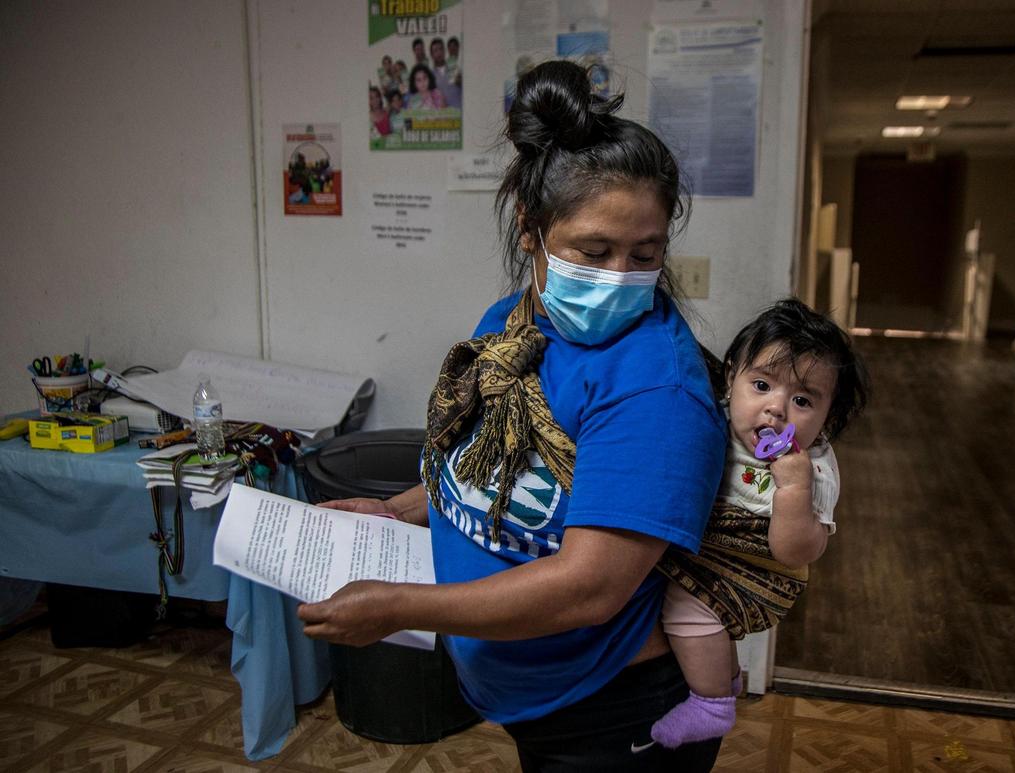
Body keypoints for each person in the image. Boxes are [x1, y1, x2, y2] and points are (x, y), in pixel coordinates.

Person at [298, 60, 728, 771]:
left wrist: (401, 606)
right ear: (531, 229)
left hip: (611, 713)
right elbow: (487, 464)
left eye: (645, 254)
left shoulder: (658, 387)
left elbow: (590, 585)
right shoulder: (513, 326)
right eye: (595, 251)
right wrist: (402, 512)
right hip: (532, 698)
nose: (622, 274)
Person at [650, 298, 870, 748]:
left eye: (803, 399)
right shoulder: (713, 418)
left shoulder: (813, 468)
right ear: (731, 376)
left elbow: (797, 553)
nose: (775, 409)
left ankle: (712, 704)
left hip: (755, 571)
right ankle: (727, 676)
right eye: (762, 384)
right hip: (707, 551)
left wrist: (793, 491)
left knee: (687, 607)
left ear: (829, 417)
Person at [429, 36, 461, 107]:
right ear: (431, 55)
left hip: (458, 113)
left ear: (444, 51)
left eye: (441, 49)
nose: (439, 52)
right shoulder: (429, 76)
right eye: (435, 50)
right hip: (442, 116)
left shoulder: (455, 68)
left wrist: (460, 82)